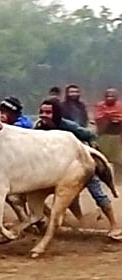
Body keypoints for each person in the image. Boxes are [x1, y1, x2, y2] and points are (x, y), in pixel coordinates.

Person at [34, 98, 122, 240]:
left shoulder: (68, 126)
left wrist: (92, 147)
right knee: (69, 197)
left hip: (81, 164)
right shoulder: (38, 129)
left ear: (56, 114)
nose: (44, 115)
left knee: (97, 193)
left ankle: (114, 225)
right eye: (42, 112)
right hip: (58, 169)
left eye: (48, 112)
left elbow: (90, 135)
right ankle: (79, 223)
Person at [94, 88, 122, 170]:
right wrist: (110, 116)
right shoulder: (100, 105)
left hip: (118, 136)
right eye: (108, 96)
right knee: (104, 158)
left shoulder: (120, 105)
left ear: (116, 97)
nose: (109, 98)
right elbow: (98, 117)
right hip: (104, 135)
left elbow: (119, 116)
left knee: (118, 159)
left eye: (112, 96)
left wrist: (109, 115)